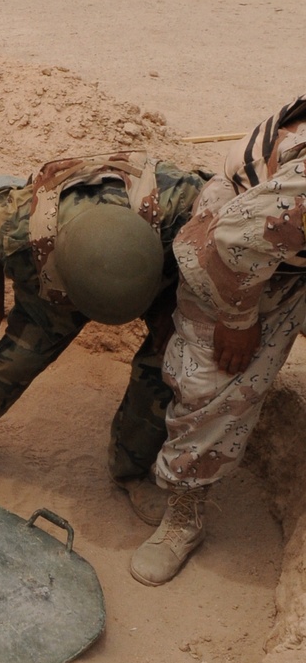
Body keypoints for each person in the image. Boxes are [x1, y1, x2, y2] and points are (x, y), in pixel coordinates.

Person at [0, 152, 209, 523]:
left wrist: (176, 305)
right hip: (56, 278)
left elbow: (226, 252)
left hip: (155, 275)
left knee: (165, 361)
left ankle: (129, 470)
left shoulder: (185, 205)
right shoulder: (17, 229)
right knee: (14, 363)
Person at [130, 97, 306, 586]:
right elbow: (235, 240)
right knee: (215, 382)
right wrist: (238, 315)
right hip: (236, 249)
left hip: (288, 242)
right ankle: (183, 513)